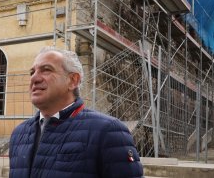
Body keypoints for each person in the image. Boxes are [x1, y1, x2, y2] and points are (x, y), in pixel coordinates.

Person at [9, 47, 143, 178]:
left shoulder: (108, 131)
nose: (34, 79)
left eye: (46, 70)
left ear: (73, 80)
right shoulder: (19, 134)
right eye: (32, 72)